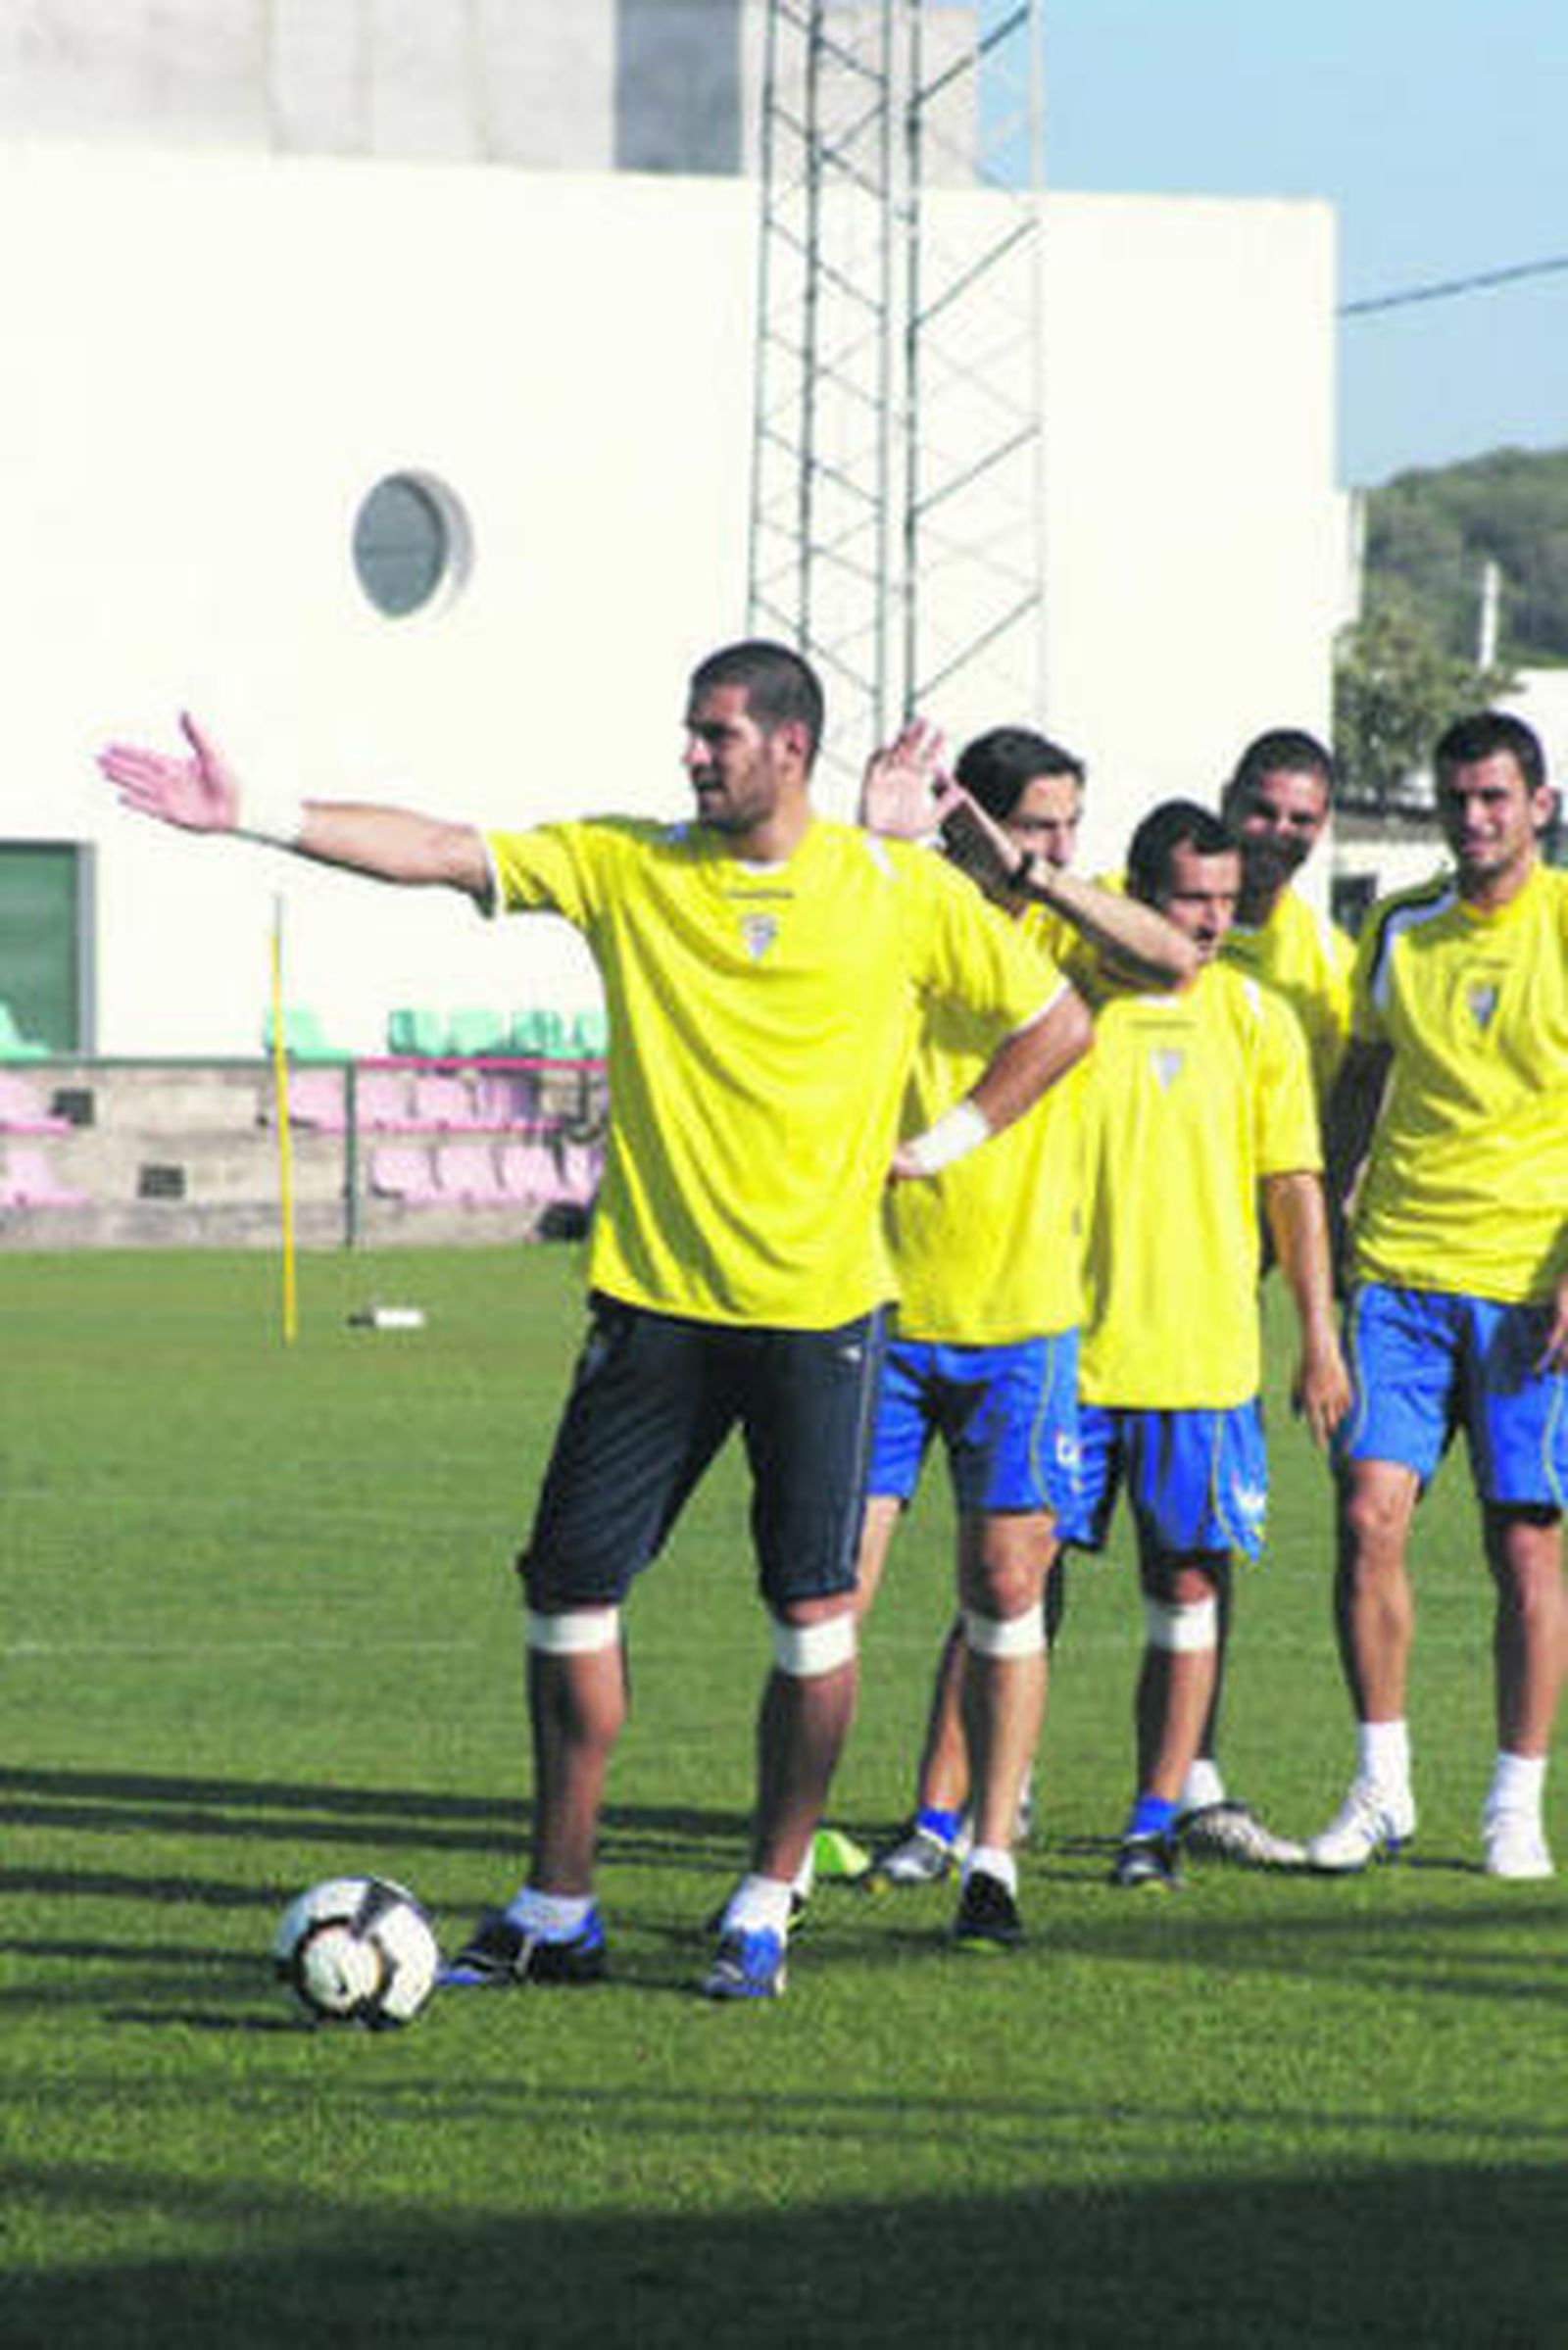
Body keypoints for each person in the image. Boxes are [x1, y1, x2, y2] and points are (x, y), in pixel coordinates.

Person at [98, 641, 1092, 2002]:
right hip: (650, 1310)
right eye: (691, 732)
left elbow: (1059, 1018)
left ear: (790, 747)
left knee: (813, 1615)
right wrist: (255, 810)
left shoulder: (892, 887)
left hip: (820, 1316)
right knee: (567, 1595)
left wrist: (953, 1133)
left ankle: (764, 1897)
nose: (693, 753)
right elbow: (444, 850)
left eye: (719, 733)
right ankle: (557, 1901)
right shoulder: (633, 867)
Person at [843, 723, 1197, 1946]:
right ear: (969, 815)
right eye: (1038, 822)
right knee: (831, 1589)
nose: (1061, 844)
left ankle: (991, 1855)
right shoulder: (895, 905)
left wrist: (1038, 876)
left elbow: (1175, 962)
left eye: (1067, 825)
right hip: (878, 1302)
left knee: (1009, 1585)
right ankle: (783, 1864)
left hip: (1022, 1321)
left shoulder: (1064, 924)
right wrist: (884, 840)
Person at [1308, 710, 1568, 1878]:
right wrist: (1317, 1224)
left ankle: (1515, 1802)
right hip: (1398, 1275)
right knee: (1367, 1518)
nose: (1473, 819)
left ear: (1539, 806)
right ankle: (1380, 1786)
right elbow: (1359, 1074)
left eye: (1494, 798)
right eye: (1456, 798)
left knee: (1523, 1549)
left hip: (1527, 1286)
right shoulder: (1397, 928)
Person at [1070, 801, 1349, 1888]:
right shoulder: (1074, 1004)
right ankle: (971, 1818)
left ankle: (1153, 1818)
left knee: (1185, 1587)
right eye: (1190, 898)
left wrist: (1317, 1337)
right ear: (1137, 893)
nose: (1210, 923)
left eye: (1227, 903)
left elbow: (1294, 1189)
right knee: (1012, 1583)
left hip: (1202, 1362)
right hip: (1070, 1353)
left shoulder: (1255, 1017)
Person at [1170, 727, 1357, 1865]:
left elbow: (1308, 1165)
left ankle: (1192, 1775)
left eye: (1303, 817)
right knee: (1022, 1535)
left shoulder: (1323, 973)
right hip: (1089, 1272)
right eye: (1266, 808)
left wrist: (1310, 1324)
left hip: (1216, 1295)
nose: (1281, 833)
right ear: (1229, 796)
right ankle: (1001, 1782)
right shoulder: (1150, 906)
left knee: (1198, 1538)